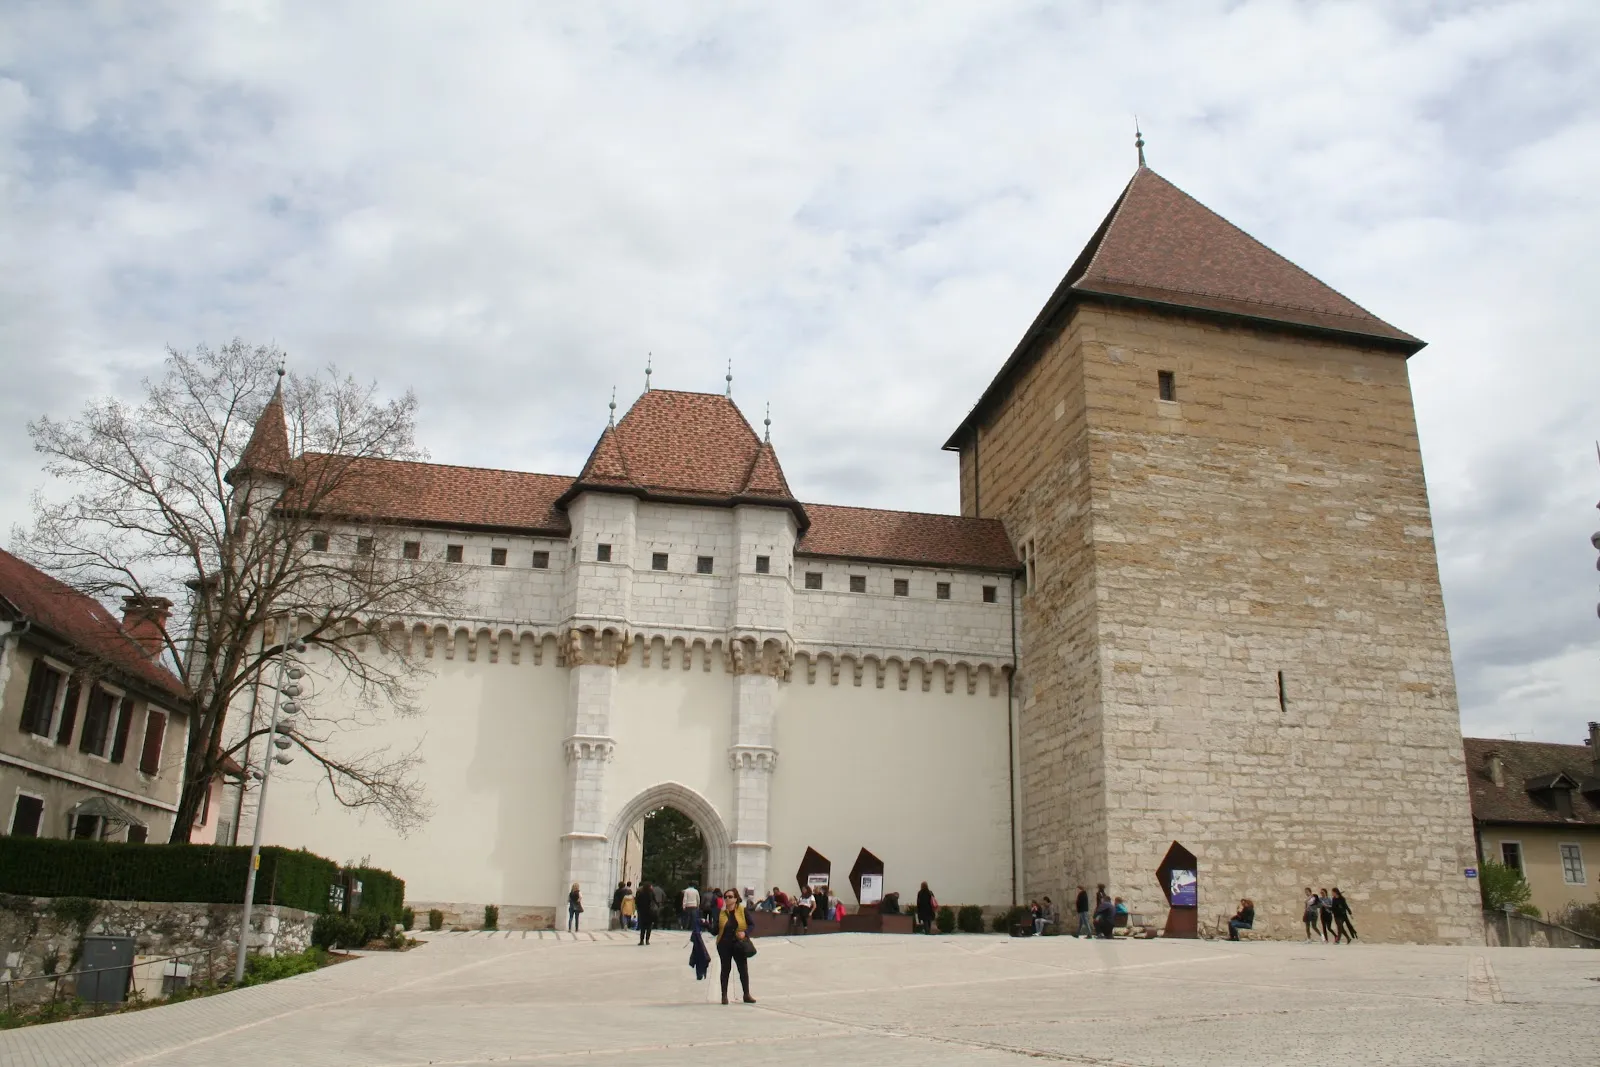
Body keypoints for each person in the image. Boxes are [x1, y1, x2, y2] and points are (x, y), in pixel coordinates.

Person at [715, 888, 756, 1004]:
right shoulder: (722, 913)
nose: (727, 899)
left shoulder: (742, 910)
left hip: (739, 944)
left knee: (743, 969)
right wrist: (705, 924)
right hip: (724, 945)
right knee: (725, 969)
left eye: (730, 896)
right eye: (726, 897)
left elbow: (752, 925)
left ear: (736, 899)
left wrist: (745, 933)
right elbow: (715, 930)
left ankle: (746, 994)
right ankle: (724, 996)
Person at [636, 879, 657, 945]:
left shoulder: (640, 893)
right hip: (650, 912)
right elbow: (655, 901)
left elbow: (637, 902)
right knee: (649, 927)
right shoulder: (651, 893)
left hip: (642, 912)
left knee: (642, 927)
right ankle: (647, 940)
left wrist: (639, 908)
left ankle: (641, 940)